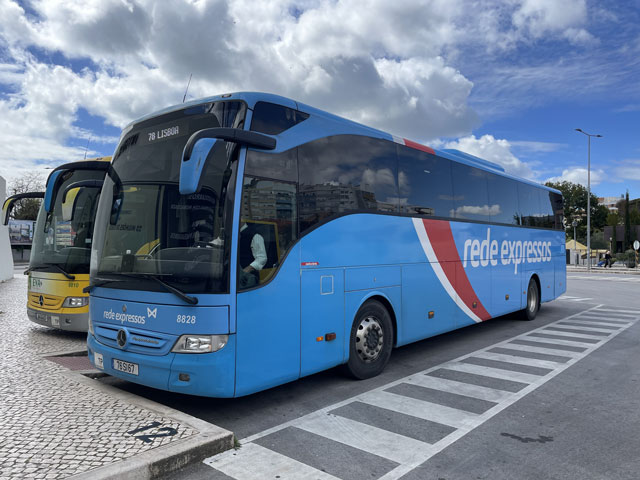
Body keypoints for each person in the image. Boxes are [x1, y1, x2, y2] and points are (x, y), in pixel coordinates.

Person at [238, 222, 267, 288]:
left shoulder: (255, 235)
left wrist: (245, 271)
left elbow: (262, 258)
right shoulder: (234, 234)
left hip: (247, 281)